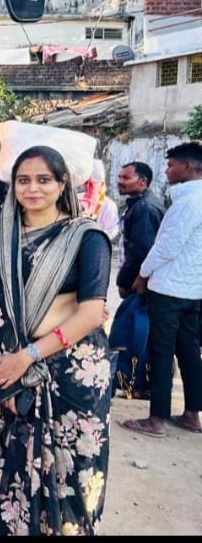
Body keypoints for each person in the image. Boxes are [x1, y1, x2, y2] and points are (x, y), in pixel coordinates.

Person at [0, 146, 112, 536]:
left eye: (43, 179)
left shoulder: (87, 238)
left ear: (62, 183)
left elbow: (89, 313)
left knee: (72, 478)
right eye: (23, 180)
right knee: (19, 479)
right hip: (14, 371)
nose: (33, 189)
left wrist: (28, 356)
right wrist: (11, 374)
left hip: (73, 374)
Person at [120, 142, 202, 438]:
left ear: (188, 168)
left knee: (162, 351)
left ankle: (157, 419)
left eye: (171, 165)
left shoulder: (187, 203)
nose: (167, 171)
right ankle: (192, 414)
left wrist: (142, 275)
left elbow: (165, 247)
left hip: (169, 289)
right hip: (192, 289)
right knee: (189, 350)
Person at [115, 161, 164, 298]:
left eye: (126, 178)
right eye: (119, 177)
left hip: (137, 283)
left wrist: (125, 281)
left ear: (143, 181)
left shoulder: (144, 208)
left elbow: (141, 251)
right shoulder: (140, 203)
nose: (119, 181)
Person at [80, 159, 119, 241]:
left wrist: (95, 239)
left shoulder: (109, 205)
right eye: (86, 183)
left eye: (93, 184)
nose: (88, 186)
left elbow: (112, 230)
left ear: (102, 184)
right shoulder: (77, 199)